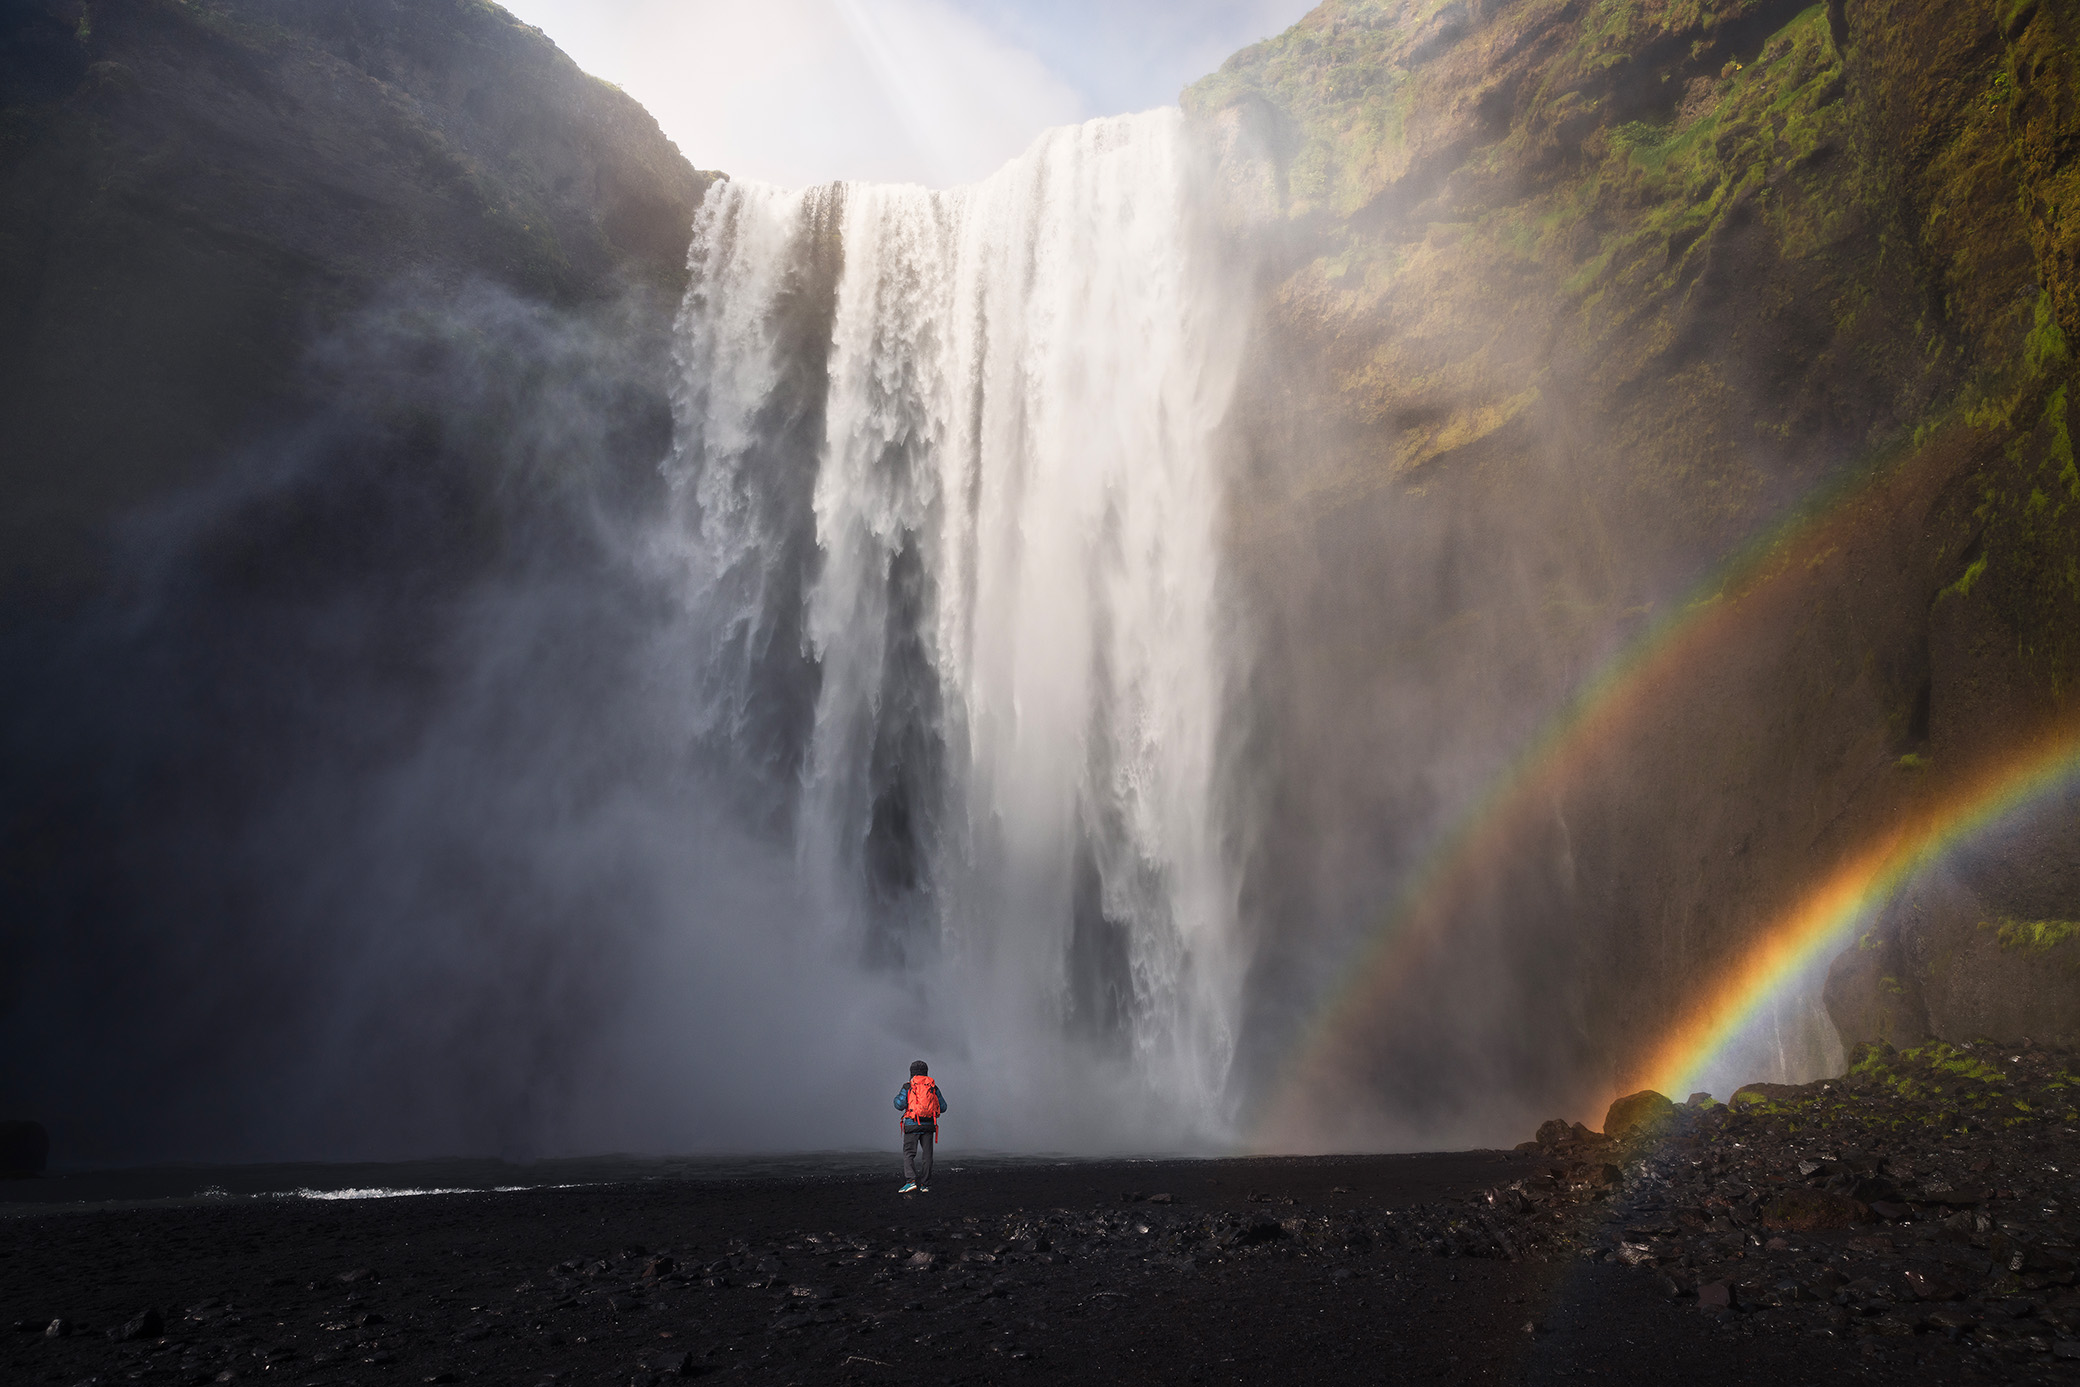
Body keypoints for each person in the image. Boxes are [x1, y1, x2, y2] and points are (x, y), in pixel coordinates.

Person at [894, 1060, 947, 1193]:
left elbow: (898, 1105)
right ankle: (925, 1185)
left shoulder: (908, 1086)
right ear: (926, 1072)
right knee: (927, 1155)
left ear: (911, 1072)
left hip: (912, 1125)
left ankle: (911, 1181)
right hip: (929, 1125)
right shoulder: (933, 1087)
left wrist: (898, 1098)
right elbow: (944, 1107)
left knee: (909, 1153)